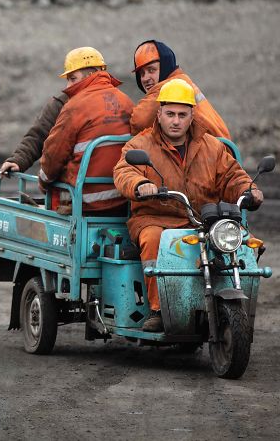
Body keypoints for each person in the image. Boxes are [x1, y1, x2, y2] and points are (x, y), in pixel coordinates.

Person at [112, 79, 263, 332]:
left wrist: (249, 190)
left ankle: (234, 301)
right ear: (159, 114)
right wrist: (140, 184)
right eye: (170, 114)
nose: (176, 121)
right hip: (156, 218)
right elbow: (124, 171)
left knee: (243, 241)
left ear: (192, 116)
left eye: (182, 115)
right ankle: (158, 309)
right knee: (152, 239)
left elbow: (232, 175)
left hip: (203, 219)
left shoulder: (212, 146)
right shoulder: (140, 144)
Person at [37, 47, 134, 213]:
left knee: (54, 181)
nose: (68, 86)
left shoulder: (75, 106)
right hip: (122, 199)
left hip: (85, 201)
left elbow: (54, 154)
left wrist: (43, 181)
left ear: (91, 74)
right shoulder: (127, 102)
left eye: (72, 78)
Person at [130, 40, 231, 139]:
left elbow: (139, 122)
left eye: (151, 70)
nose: (145, 78)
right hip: (222, 146)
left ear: (165, 67)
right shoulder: (182, 80)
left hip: (213, 148)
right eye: (142, 73)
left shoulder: (170, 87)